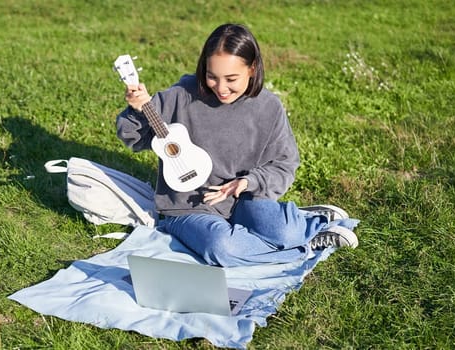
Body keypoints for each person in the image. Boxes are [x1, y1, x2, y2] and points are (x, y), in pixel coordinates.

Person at [116, 23, 359, 267]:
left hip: (243, 198)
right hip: (188, 208)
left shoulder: (268, 108)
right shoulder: (181, 96)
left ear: (252, 69)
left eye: (231, 79)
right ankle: (305, 245)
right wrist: (137, 110)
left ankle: (305, 224)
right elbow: (132, 137)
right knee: (221, 248)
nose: (221, 88)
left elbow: (285, 163)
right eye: (212, 77)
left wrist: (247, 182)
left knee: (282, 232)